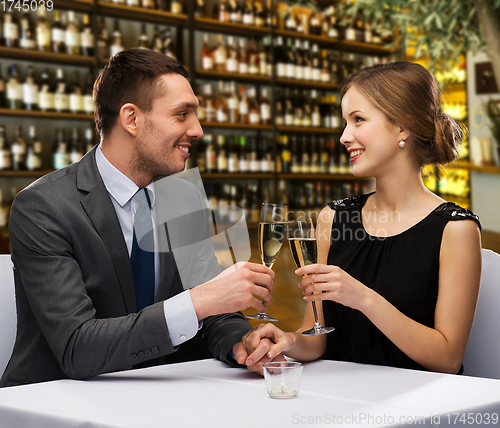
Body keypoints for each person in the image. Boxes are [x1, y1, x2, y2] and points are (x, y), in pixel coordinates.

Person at [0, 49, 275, 387]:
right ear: (131, 119)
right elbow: (77, 347)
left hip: (156, 396)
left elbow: (213, 313)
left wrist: (241, 343)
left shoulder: (184, 197)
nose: (198, 130)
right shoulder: (44, 207)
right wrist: (198, 301)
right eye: (182, 114)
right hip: (50, 403)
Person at [240, 61, 482, 374]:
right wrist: (286, 341)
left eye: (358, 120)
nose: (344, 136)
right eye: (345, 122)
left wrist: (362, 297)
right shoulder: (333, 218)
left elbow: (447, 358)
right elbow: (317, 336)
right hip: (339, 401)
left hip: (418, 409)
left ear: (402, 126)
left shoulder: (456, 229)